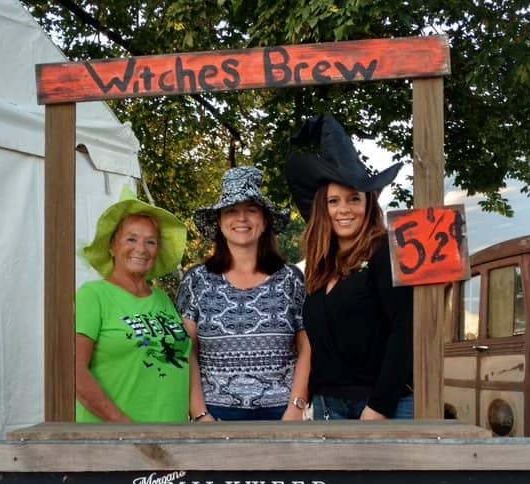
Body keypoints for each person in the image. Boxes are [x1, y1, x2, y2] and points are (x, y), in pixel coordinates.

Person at [286, 113, 414, 420]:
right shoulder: (320, 265)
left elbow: (405, 330)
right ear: (323, 207)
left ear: (368, 204)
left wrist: (379, 406)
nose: (344, 209)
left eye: (354, 199)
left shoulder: (384, 253)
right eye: (334, 201)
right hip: (329, 406)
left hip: (382, 405)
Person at [177, 166, 311, 422]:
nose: (241, 218)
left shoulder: (291, 278)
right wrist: (200, 414)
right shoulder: (196, 281)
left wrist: (296, 406)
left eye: (251, 210)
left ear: (264, 221)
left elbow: (307, 345)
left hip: (282, 414)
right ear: (219, 222)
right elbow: (187, 350)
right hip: (216, 415)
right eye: (231, 210)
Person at [75, 185, 190, 422]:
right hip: (116, 436)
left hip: (171, 434)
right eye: (131, 239)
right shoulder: (93, 295)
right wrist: (123, 426)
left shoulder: (162, 299)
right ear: (112, 246)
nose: (141, 249)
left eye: (151, 242)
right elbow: (73, 371)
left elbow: (184, 362)